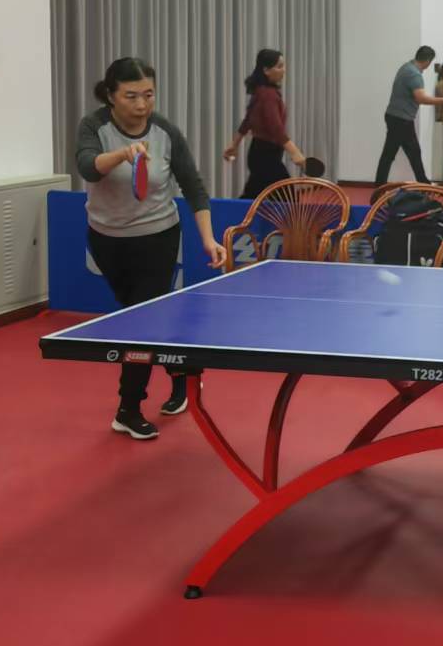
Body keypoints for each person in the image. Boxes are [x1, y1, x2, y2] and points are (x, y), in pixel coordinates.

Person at [77, 56, 227, 441]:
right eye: (132, 96)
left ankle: (128, 408)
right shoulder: (94, 126)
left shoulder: (165, 132)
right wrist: (123, 154)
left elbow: (193, 187)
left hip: (158, 237)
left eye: (149, 95)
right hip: (107, 239)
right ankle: (182, 374)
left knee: (139, 325)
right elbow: (88, 167)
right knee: (144, 319)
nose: (142, 104)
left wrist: (208, 238)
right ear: (111, 95)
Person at [223, 48, 306, 198]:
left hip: (260, 154)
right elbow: (275, 127)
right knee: (287, 199)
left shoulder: (262, 91)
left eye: (283, 66)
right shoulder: (267, 95)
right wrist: (294, 152)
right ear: (266, 70)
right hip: (265, 156)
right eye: (279, 66)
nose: (284, 70)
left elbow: (247, 121)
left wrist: (234, 145)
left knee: (252, 199)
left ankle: (232, 214)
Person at [378, 45, 443, 184]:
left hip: (396, 117)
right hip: (401, 119)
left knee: (404, 153)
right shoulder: (414, 74)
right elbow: (421, 98)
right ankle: (421, 183)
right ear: (428, 61)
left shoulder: (406, 67)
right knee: (401, 153)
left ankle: (419, 182)